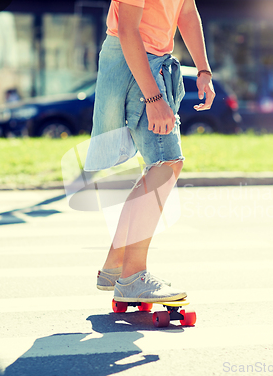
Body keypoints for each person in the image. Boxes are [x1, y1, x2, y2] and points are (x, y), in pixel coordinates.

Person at [88, 0, 215, 303]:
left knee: (163, 167)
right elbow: (128, 31)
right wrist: (154, 98)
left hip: (154, 59)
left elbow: (185, 11)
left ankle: (115, 266)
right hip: (136, 61)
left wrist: (203, 69)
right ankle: (133, 277)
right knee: (165, 164)